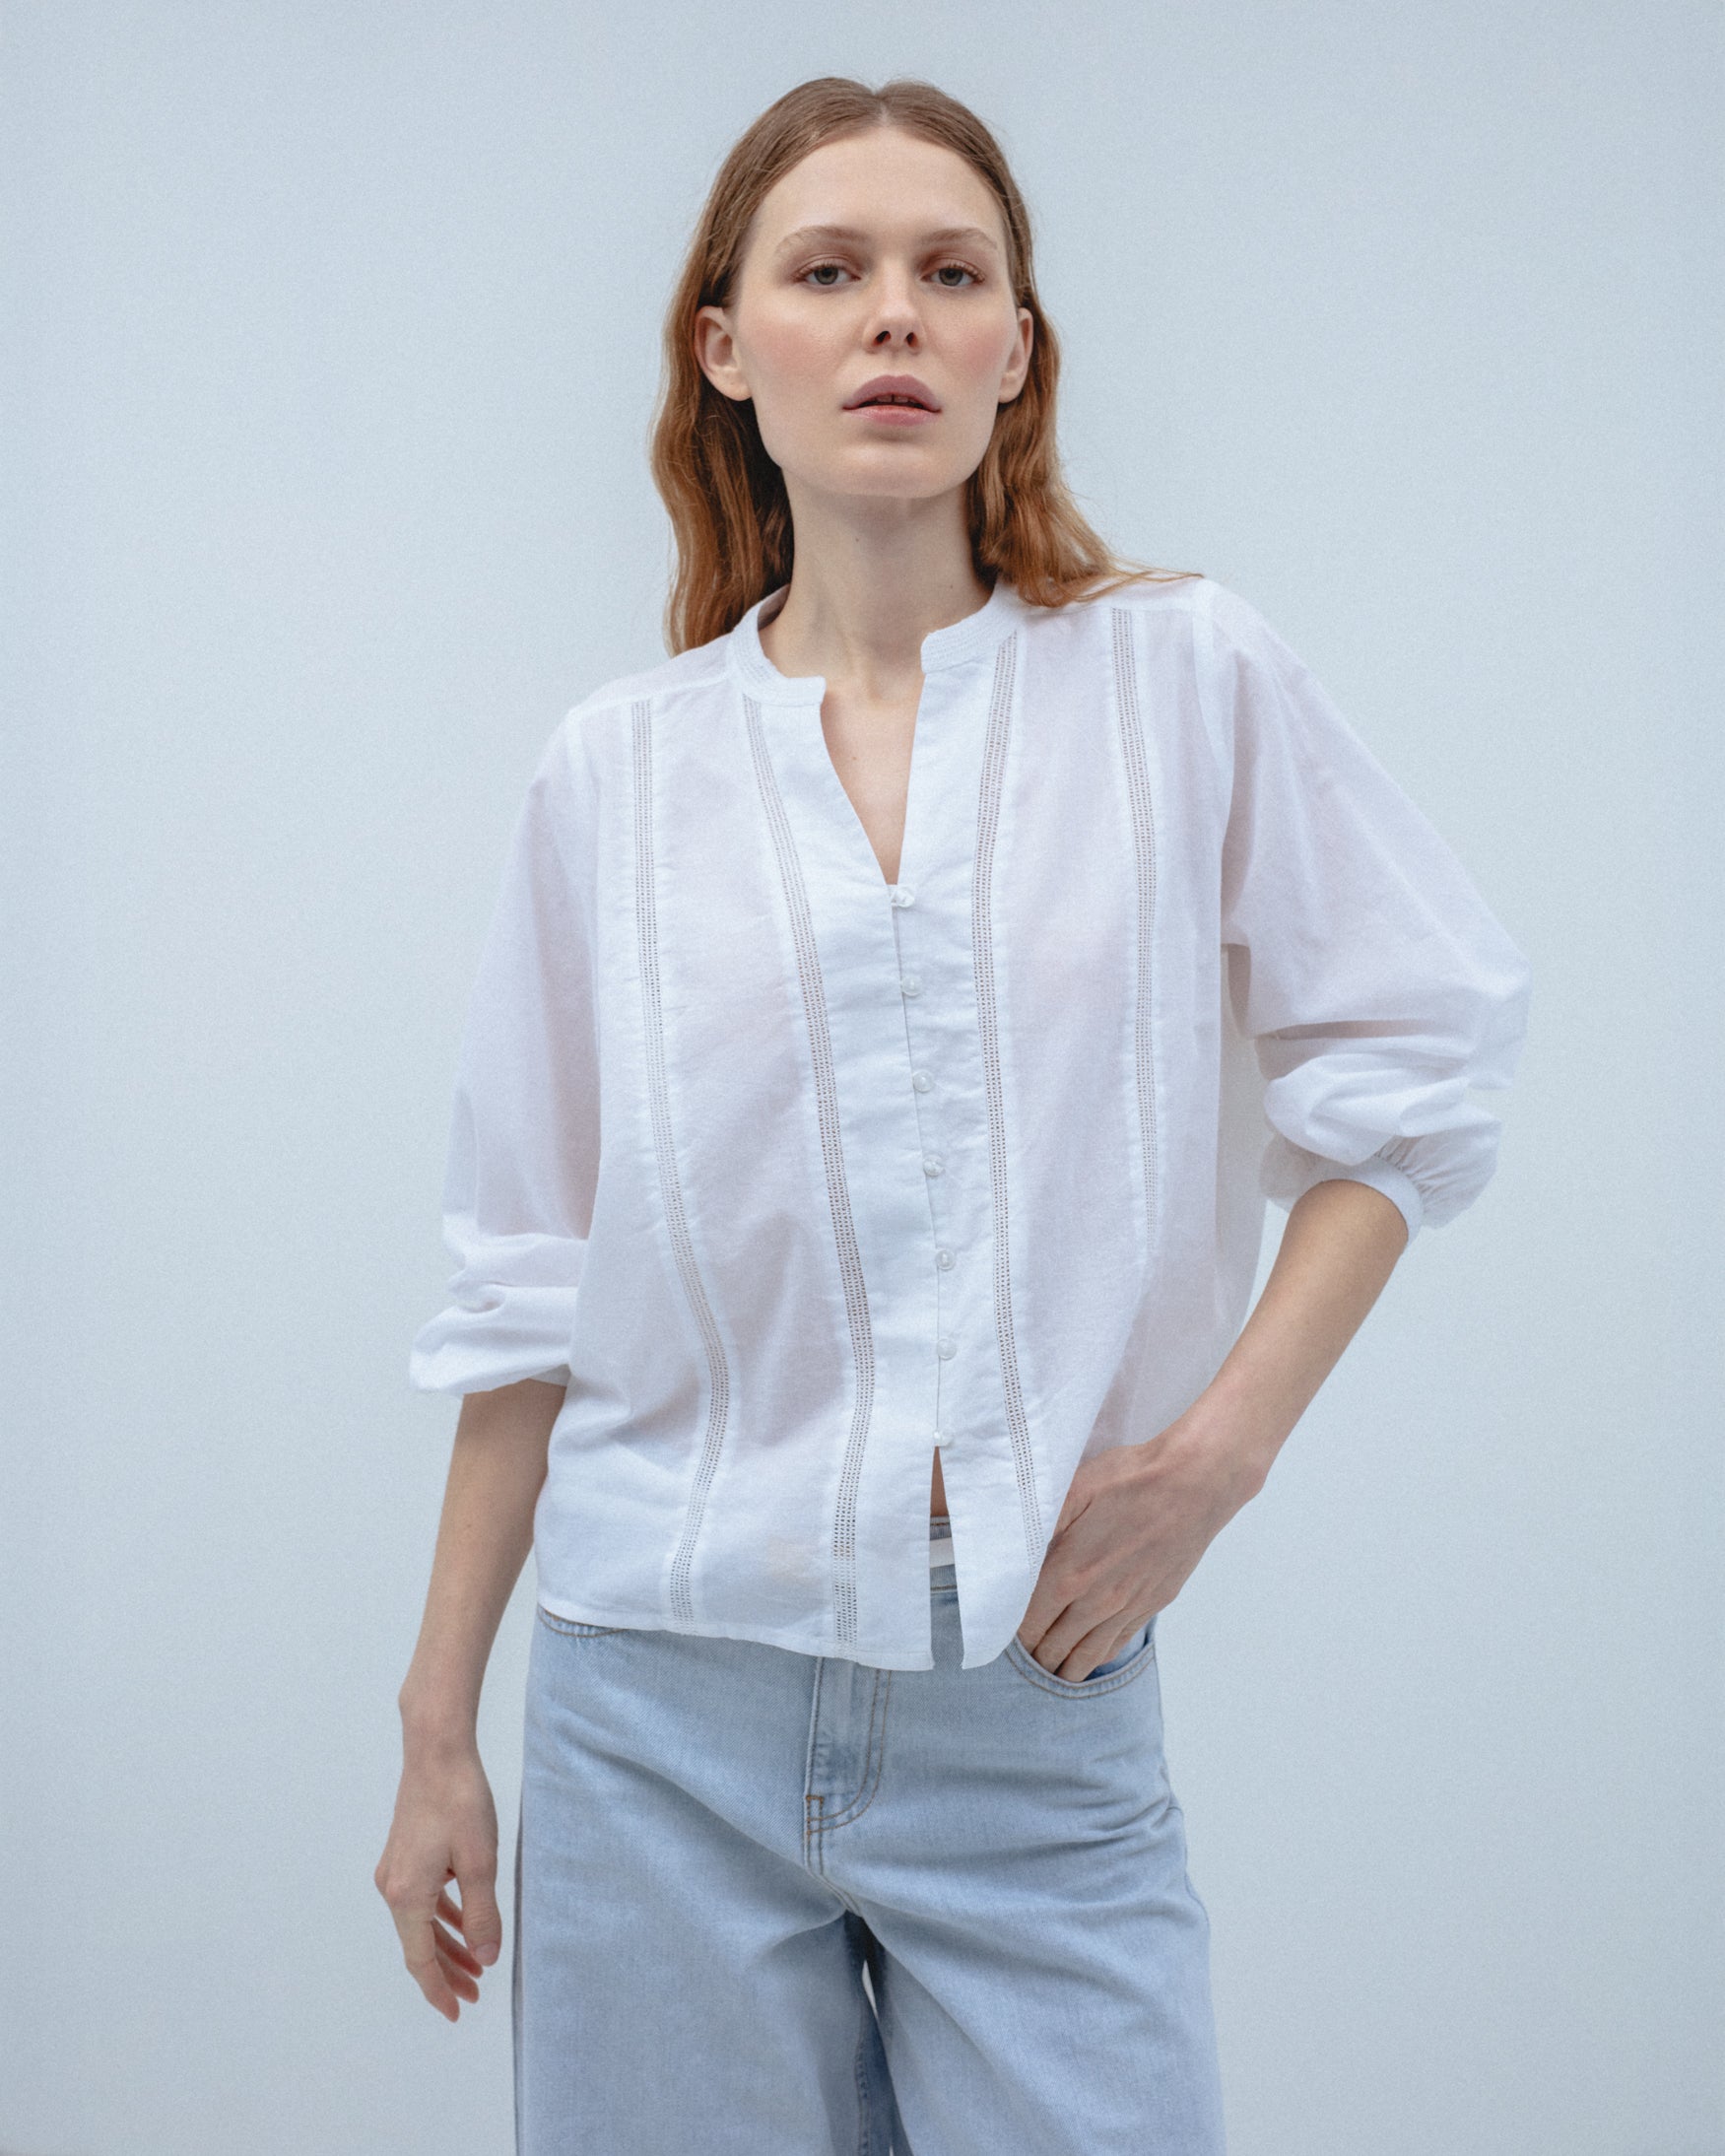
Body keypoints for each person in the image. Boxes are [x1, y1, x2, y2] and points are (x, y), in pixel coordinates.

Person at [374, 74, 1533, 2156]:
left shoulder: (1184, 681)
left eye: (951, 272)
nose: (894, 314)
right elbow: (530, 1280)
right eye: (828, 271)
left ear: (1016, 349)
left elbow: (1419, 1062)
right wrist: (436, 1722)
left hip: (1040, 1711)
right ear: (727, 349)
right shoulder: (615, 775)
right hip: (653, 1712)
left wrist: (1220, 1456)